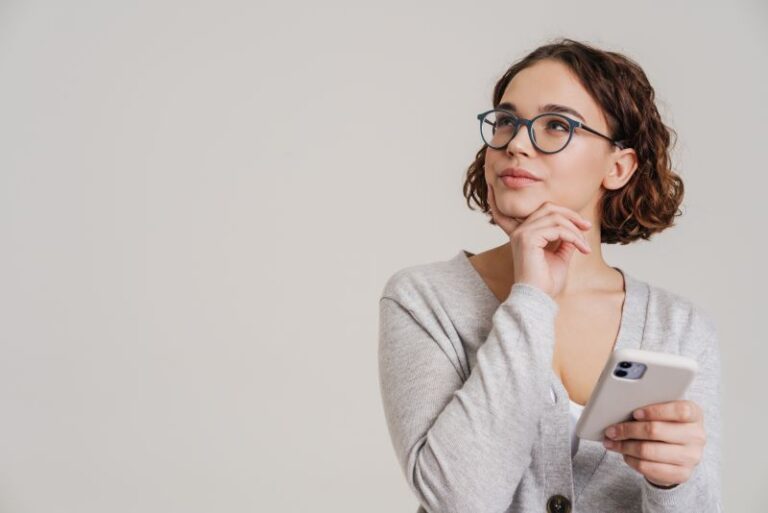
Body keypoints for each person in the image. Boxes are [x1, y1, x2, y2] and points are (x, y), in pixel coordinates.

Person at [377, 38, 722, 513]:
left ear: (618, 167)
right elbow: (459, 501)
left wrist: (673, 485)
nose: (516, 143)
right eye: (505, 121)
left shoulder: (679, 329)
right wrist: (531, 297)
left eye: (556, 125)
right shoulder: (425, 300)